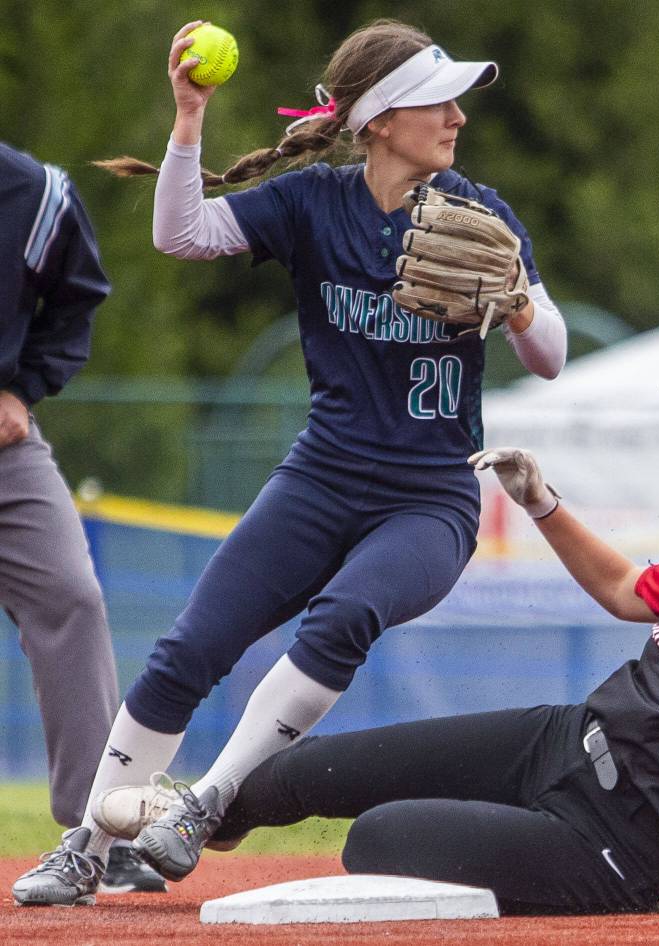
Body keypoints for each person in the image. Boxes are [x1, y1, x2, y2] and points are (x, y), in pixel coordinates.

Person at [12, 18, 566, 907]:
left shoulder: (479, 214)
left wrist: (519, 308)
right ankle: (89, 845)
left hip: (429, 499)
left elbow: (553, 356)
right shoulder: (313, 201)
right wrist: (189, 116)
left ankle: (204, 804)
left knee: (342, 617)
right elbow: (181, 235)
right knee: (189, 648)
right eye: (438, 100)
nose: (458, 115)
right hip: (322, 477)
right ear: (382, 119)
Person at [142, 432, 659, 915]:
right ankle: (195, 820)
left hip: (612, 845)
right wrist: (540, 502)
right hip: (561, 741)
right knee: (313, 768)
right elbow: (618, 588)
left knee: (380, 838)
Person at [0, 143, 166, 897]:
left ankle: (95, 835)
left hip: (3, 444)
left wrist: (23, 387)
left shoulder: (34, 194)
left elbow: (76, 294)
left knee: (71, 596)